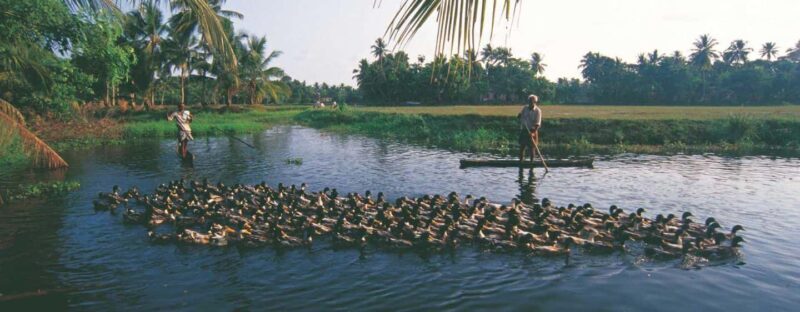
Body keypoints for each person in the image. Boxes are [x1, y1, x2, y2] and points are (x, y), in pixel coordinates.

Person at [517, 94, 542, 162]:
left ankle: (531, 162)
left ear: (535, 102)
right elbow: (520, 115)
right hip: (524, 129)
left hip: (532, 130)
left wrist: (533, 133)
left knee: (532, 148)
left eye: (531, 101)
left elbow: (537, 124)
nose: (530, 102)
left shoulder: (538, 111)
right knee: (522, 147)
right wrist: (519, 116)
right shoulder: (525, 108)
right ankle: (521, 162)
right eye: (529, 101)